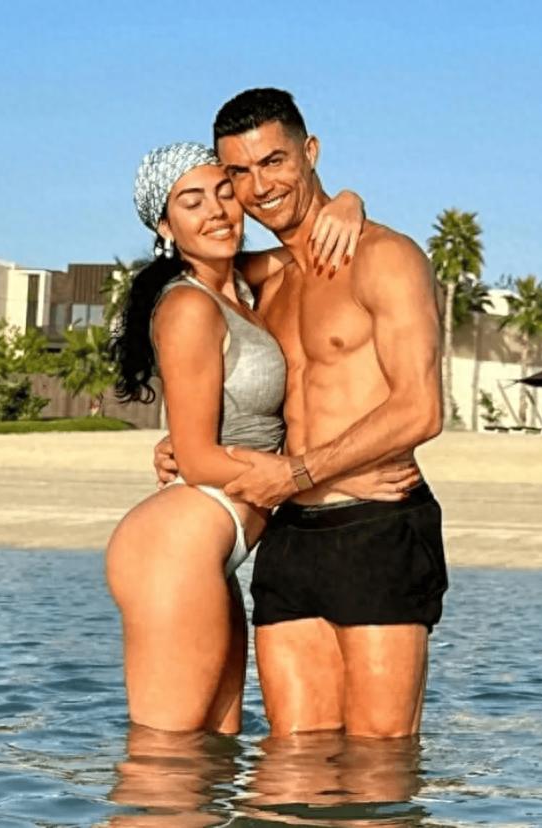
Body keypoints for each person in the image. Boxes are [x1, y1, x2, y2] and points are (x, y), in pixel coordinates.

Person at [155, 88, 447, 739]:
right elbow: (188, 277)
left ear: (310, 152)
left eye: (275, 161)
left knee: (378, 761)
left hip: (377, 527)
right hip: (289, 535)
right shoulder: (261, 281)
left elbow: (421, 408)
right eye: (240, 172)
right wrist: (189, 441)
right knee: (290, 762)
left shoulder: (384, 258)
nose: (260, 187)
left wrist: (298, 472)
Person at [105, 141, 392, 734]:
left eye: (223, 192)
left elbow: (307, 242)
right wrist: (317, 477)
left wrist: (348, 200)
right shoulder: (189, 306)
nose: (215, 211)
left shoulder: (241, 285)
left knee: (214, 749)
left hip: (214, 548)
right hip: (175, 547)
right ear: (165, 227)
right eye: (191, 202)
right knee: (166, 757)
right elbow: (197, 459)